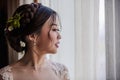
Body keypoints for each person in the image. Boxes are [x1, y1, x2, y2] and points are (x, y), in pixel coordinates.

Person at [0, 3, 70, 80]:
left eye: (58, 30)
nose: (59, 36)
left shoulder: (61, 72)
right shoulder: (7, 75)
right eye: (54, 29)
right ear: (32, 36)